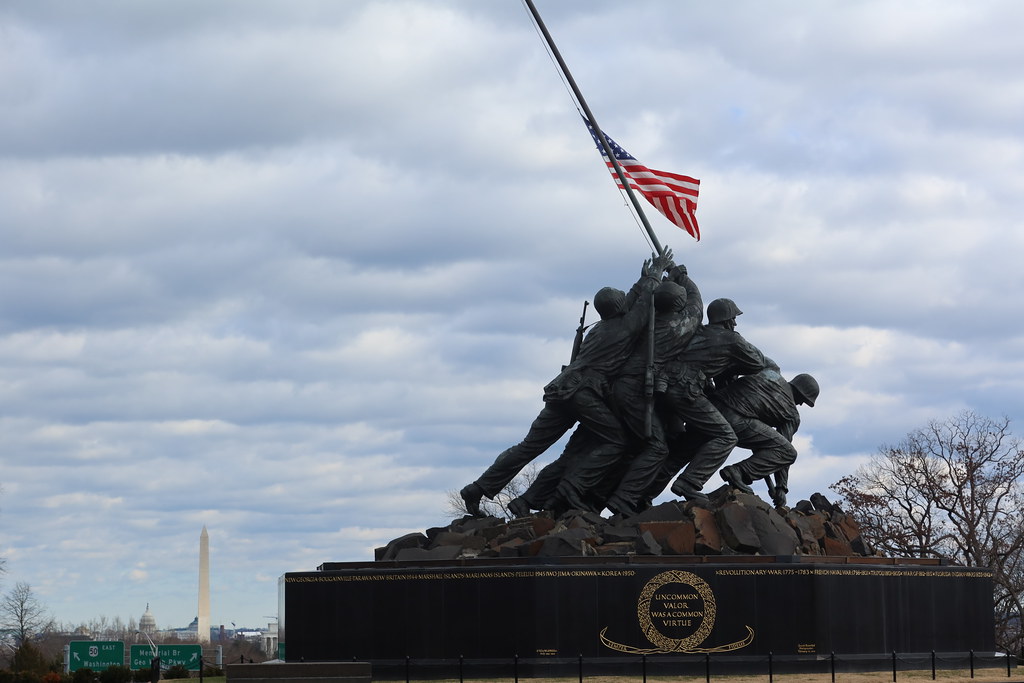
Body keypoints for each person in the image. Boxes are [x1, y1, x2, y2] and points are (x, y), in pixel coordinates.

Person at [459, 250, 673, 516]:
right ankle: (573, 488)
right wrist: (655, 273)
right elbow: (641, 307)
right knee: (617, 440)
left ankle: (478, 488)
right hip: (585, 394)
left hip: (562, 389)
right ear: (619, 308)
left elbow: (630, 303)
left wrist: (642, 281)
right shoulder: (624, 327)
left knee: (529, 447)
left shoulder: (601, 328)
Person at [656, 298, 768, 503]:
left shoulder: (696, 331)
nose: (735, 323)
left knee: (680, 448)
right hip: (685, 391)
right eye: (733, 318)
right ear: (726, 319)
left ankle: (640, 494)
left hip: (665, 387)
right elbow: (757, 362)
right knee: (727, 437)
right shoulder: (732, 340)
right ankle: (689, 482)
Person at [716, 368, 819, 507]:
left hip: (713, 406)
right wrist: (781, 488)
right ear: (800, 393)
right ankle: (738, 472)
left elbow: (763, 441)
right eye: (803, 400)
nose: (800, 404)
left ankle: (686, 481)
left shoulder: (770, 375)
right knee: (788, 452)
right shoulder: (791, 413)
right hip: (735, 419)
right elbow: (782, 451)